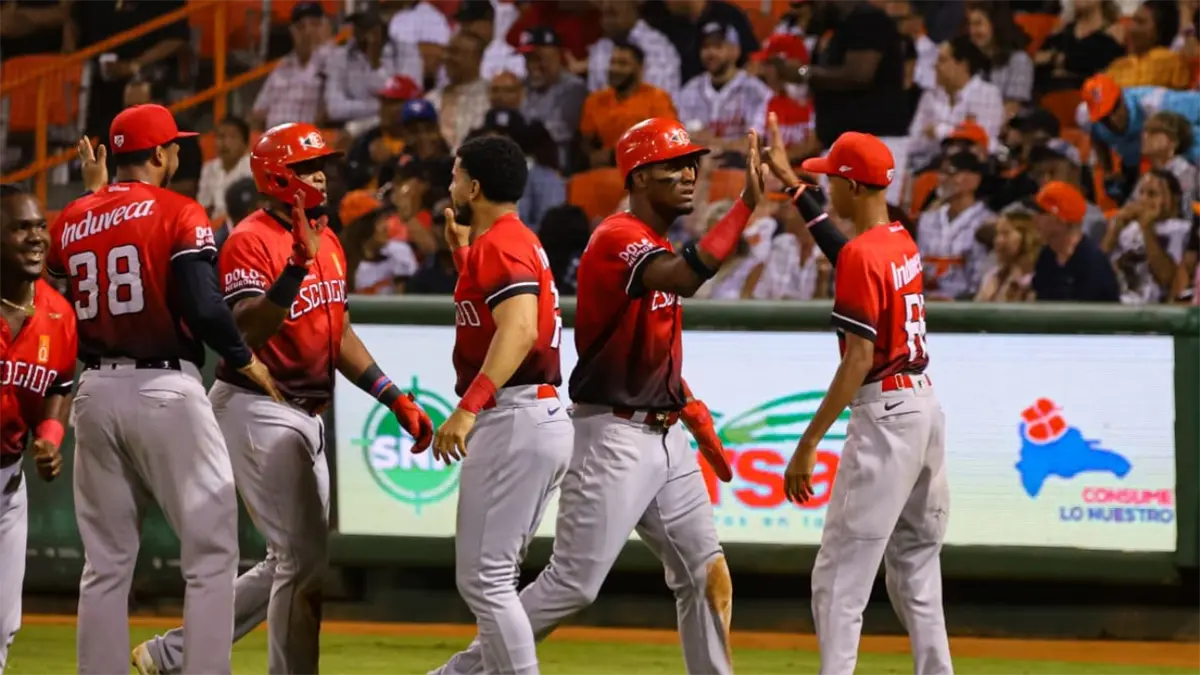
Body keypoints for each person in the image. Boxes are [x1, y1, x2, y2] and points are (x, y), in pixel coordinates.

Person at [430, 117, 764, 675]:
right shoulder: (618, 237)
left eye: (691, 163)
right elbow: (685, 277)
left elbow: (643, 346)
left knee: (706, 572)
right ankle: (464, 673)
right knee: (573, 583)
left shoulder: (648, 240)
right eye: (673, 165)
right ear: (639, 177)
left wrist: (686, 405)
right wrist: (746, 205)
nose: (689, 174)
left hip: (662, 431)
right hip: (612, 432)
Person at [131, 123, 434, 675]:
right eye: (305, 167)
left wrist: (391, 395)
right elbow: (245, 330)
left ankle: (173, 653)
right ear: (276, 175)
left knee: (292, 560)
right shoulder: (250, 239)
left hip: (303, 413)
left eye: (322, 165)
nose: (320, 175)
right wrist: (294, 268)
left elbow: (338, 332)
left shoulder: (326, 237)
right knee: (300, 561)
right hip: (256, 406)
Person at [49, 104, 276, 675]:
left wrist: (95, 197)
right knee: (211, 555)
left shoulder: (71, 216)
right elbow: (205, 306)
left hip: (93, 391)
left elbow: (57, 290)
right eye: (173, 146)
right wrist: (244, 358)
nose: (178, 152)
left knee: (105, 564)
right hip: (164, 389)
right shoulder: (179, 210)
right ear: (156, 153)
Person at [762, 117, 952, 675]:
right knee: (915, 568)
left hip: (887, 415)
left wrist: (807, 443)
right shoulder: (899, 239)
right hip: (924, 408)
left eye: (831, 179)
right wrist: (796, 188)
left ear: (852, 185)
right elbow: (849, 253)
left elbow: (858, 359)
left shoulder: (863, 255)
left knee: (839, 578)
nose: (829, 187)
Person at [426, 135, 573, 675]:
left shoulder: (504, 244)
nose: (450, 185)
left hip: (514, 414)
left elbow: (519, 329)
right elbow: (499, 316)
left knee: (484, 580)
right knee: (495, 578)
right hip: (533, 414)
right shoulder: (507, 241)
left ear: (474, 187)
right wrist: (463, 255)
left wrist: (468, 407)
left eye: (455, 175)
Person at [0, 184, 76, 675]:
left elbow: (60, 386)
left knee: (2, 623)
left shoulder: (58, 314)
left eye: (40, 226)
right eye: (20, 228)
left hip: (8, 483)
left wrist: (50, 436)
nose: (36, 238)